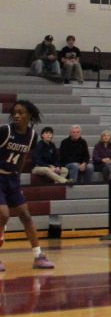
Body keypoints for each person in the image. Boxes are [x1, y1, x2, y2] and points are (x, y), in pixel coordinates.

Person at [0, 100, 55, 270]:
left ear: (29, 115)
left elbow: (23, 157)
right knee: (4, 214)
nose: (16, 115)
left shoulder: (32, 136)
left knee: (26, 215)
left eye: (21, 112)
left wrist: (17, 174)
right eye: (14, 112)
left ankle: (38, 255)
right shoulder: (5, 131)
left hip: (12, 179)